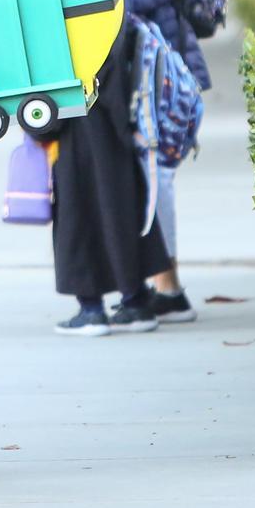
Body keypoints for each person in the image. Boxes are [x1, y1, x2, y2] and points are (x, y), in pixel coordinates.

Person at [87, 0, 210, 326]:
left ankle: (170, 289)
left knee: (156, 178)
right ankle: (163, 284)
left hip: (165, 68)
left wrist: (112, 11)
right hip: (139, 67)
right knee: (146, 176)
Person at [44, 26, 174, 335]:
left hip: (77, 140)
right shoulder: (107, 15)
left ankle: (91, 310)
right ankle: (135, 301)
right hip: (117, 136)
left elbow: (49, 109)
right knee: (122, 213)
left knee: (80, 218)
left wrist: (39, 130)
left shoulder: (59, 28)